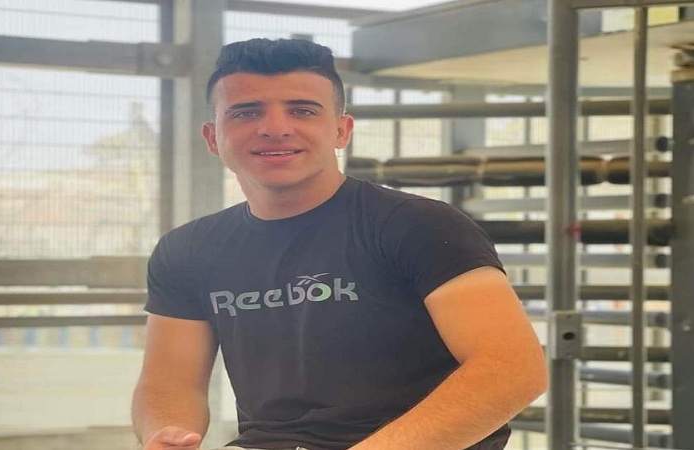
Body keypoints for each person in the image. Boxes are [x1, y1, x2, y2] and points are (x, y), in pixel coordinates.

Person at [132, 38, 547, 450]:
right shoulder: (187, 250)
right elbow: (169, 384)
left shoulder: (417, 225)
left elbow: (511, 369)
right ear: (212, 137)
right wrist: (168, 432)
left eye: (302, 110)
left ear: (341, 130)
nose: (275, 128)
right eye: (246, 112)